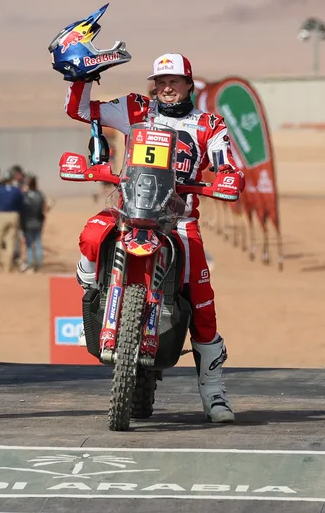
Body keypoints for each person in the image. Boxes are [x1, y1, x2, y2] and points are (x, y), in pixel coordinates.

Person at [65, 52, 243, 423]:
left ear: (189, 84)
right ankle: (90, 292)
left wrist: (229, 178)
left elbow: (226, 164)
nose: (166, 88)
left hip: (178, 220)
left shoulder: (209, 124)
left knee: (202, 303)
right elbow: (81, 111)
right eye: (161, 82)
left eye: (174, 81)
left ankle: (214, 396)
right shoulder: (135, 108)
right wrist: (81, 78)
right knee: (93, 232)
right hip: (130, 211)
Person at [0, 172, 24, 272]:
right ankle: (7, 266)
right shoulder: (17, 190)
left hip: (1, 215)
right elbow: (21, 204)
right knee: (10, 242)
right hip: (14, 215)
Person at [20, 175, 49, 272]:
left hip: (27, 222)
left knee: (29, 244)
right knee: (38, 243)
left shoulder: (25, 195)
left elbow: (22, 210)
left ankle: (30, 263)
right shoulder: (40, 194)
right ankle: (39, 264)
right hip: (38, 222)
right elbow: (45, 208)